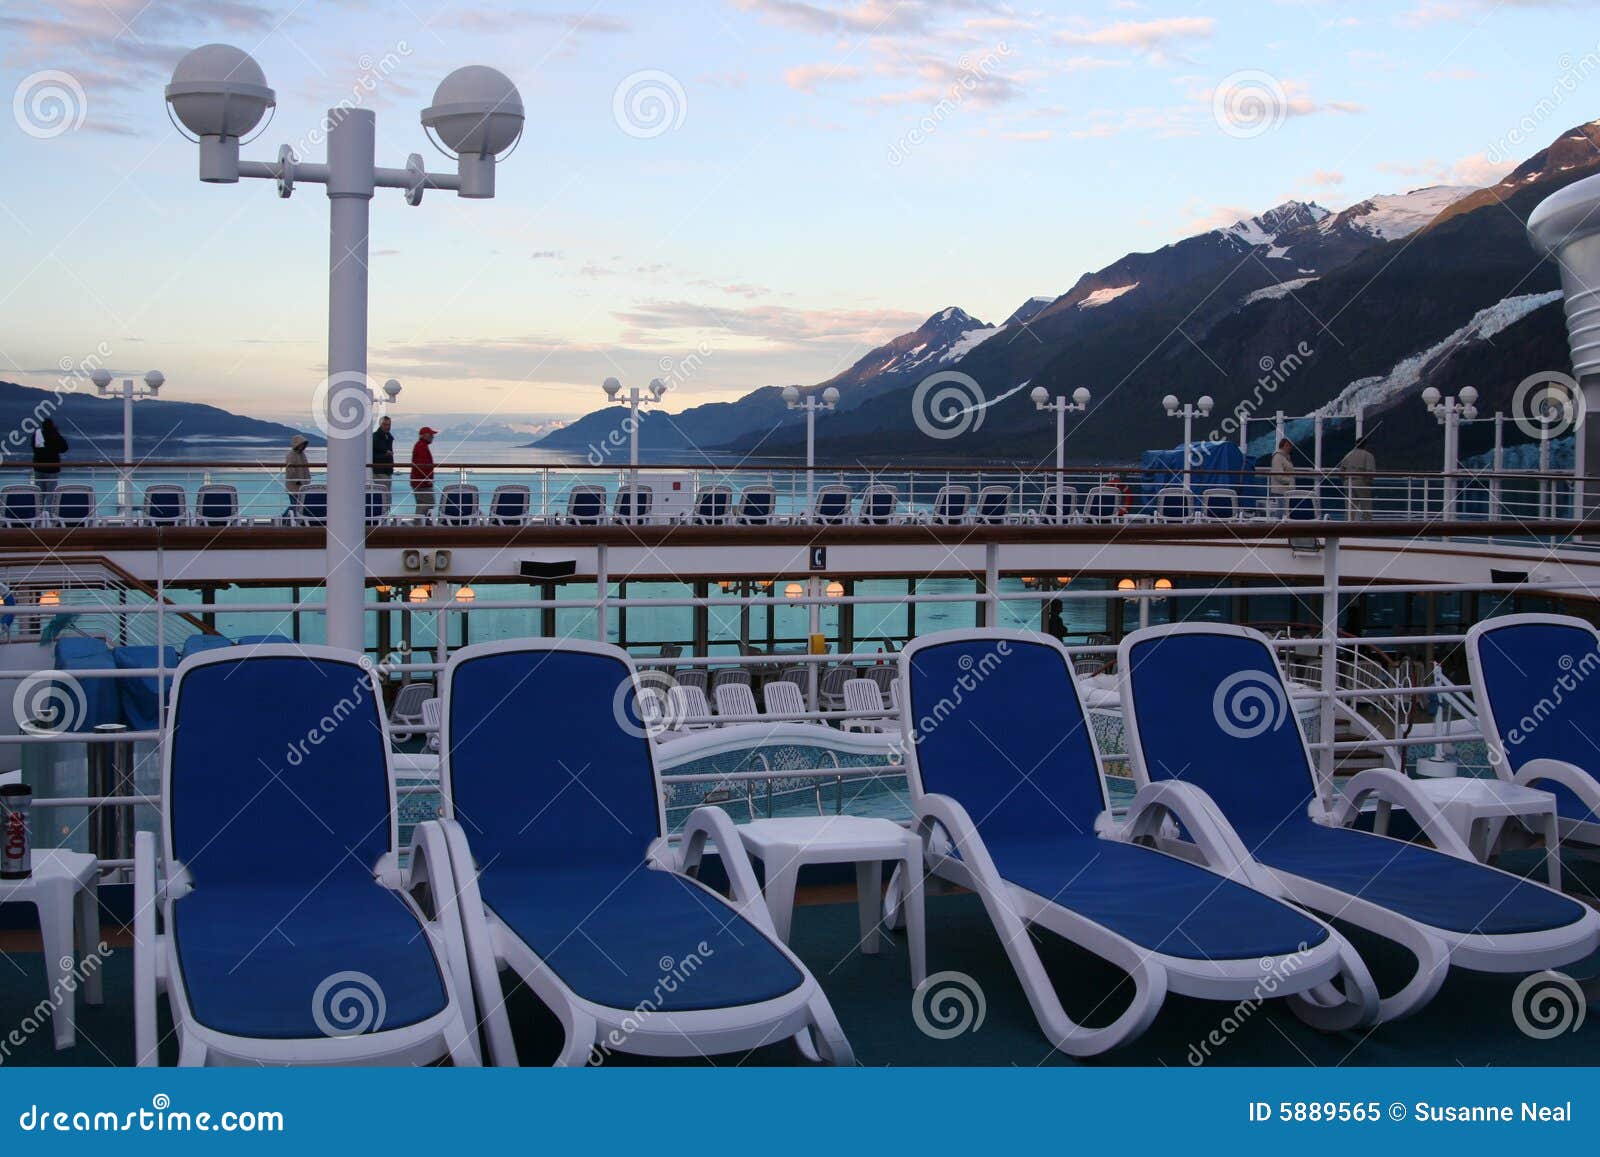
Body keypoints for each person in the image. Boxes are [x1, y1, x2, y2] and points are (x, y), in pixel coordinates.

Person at [1339, 435, 1377, 521]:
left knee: (1350, 506)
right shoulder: (1368, 455)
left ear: (1356, 444)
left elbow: (1341, 470)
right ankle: (1367, 525)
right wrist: (1368, 482)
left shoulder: (1348, 454)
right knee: (1366, 505)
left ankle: (1348, 525)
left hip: (1348, 482)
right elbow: (1370, 471)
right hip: (1361, 482)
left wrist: (1344, 480)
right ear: (1366, 445)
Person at [31, 419, 68, 495]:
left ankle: (39, 506)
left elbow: (34, 448)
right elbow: (65, 448)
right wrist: (56, 450)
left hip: (39, 466)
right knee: (51, 492)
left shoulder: (37, 434)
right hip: (52, 467)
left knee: (39, 491)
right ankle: (49, 507)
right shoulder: (55, 434)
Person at [410, 426, 436, 519]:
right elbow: (422, 465)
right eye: (431, 435)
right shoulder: (422, 447)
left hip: (420, 481)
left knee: (423, 503)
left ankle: (421, 522)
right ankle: (420, 523)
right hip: (422, 482)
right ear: (424, 435)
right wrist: (427, 479)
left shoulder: (421, 445)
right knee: (427, 503)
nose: (432, 437)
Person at [283, 434, 311, 521]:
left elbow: (306, 469)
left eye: (303, 444)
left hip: (303, 485)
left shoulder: (302, 455)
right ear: (297, 444)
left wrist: (308, 479)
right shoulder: (290, 455)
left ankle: (284, 519)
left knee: (297, 505)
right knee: (295, 505)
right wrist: (297, 481)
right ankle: (284, 519)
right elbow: (290, 470)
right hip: (293, 485)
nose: (302, 446)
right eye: (301, 444)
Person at [1269, 438, 1297, 515]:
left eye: (1290, 446)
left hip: (1286, 490)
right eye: (1288, 446)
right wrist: (1290, 481)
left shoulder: (1285, 457)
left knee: (1284, 511)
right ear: (1283, 446)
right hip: (1280, 490)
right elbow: (1278, 475)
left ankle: (1282, 524)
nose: (1290, 448)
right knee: (1281, 511)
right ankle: (1278, 525)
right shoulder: (1278, 457)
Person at [371, 415, 395, 503]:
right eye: (385, 424)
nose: (387, 427)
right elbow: (372, 456)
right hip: (379, 471)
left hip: (386, 470)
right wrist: (386, 454)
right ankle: (383, 515)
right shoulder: (375, 437)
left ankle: (386, 515)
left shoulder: (388, 437)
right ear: (380, 425)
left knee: (386, 495)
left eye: (389, 424)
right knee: (383, 496)